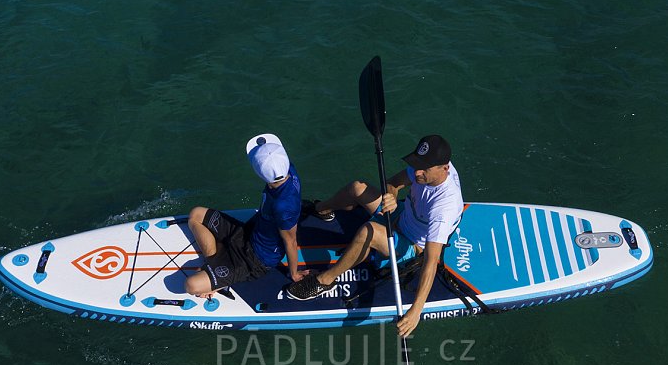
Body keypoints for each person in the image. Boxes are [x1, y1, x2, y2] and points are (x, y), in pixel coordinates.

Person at [287, 134, 463, 337]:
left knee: (368, 232)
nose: (417, 172)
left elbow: (431, 262)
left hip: (410, 245)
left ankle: (325, 281)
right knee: (357, 188)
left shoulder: (445, 207)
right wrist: (392, 197)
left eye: (424, 169)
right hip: (401, 216)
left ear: (445, 168)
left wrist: (415, 312)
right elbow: (394, 182)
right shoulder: (423, 170)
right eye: (417, 165)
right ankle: (320, 209)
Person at [185, 134, 309, 298]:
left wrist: (294, 273)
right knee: (196, 214)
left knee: (191, 285)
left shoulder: (284, 206)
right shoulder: (287, 169)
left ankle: (221, 277)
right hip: (250, 232)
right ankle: (215, 261)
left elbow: (290, 241)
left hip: (255, 260)